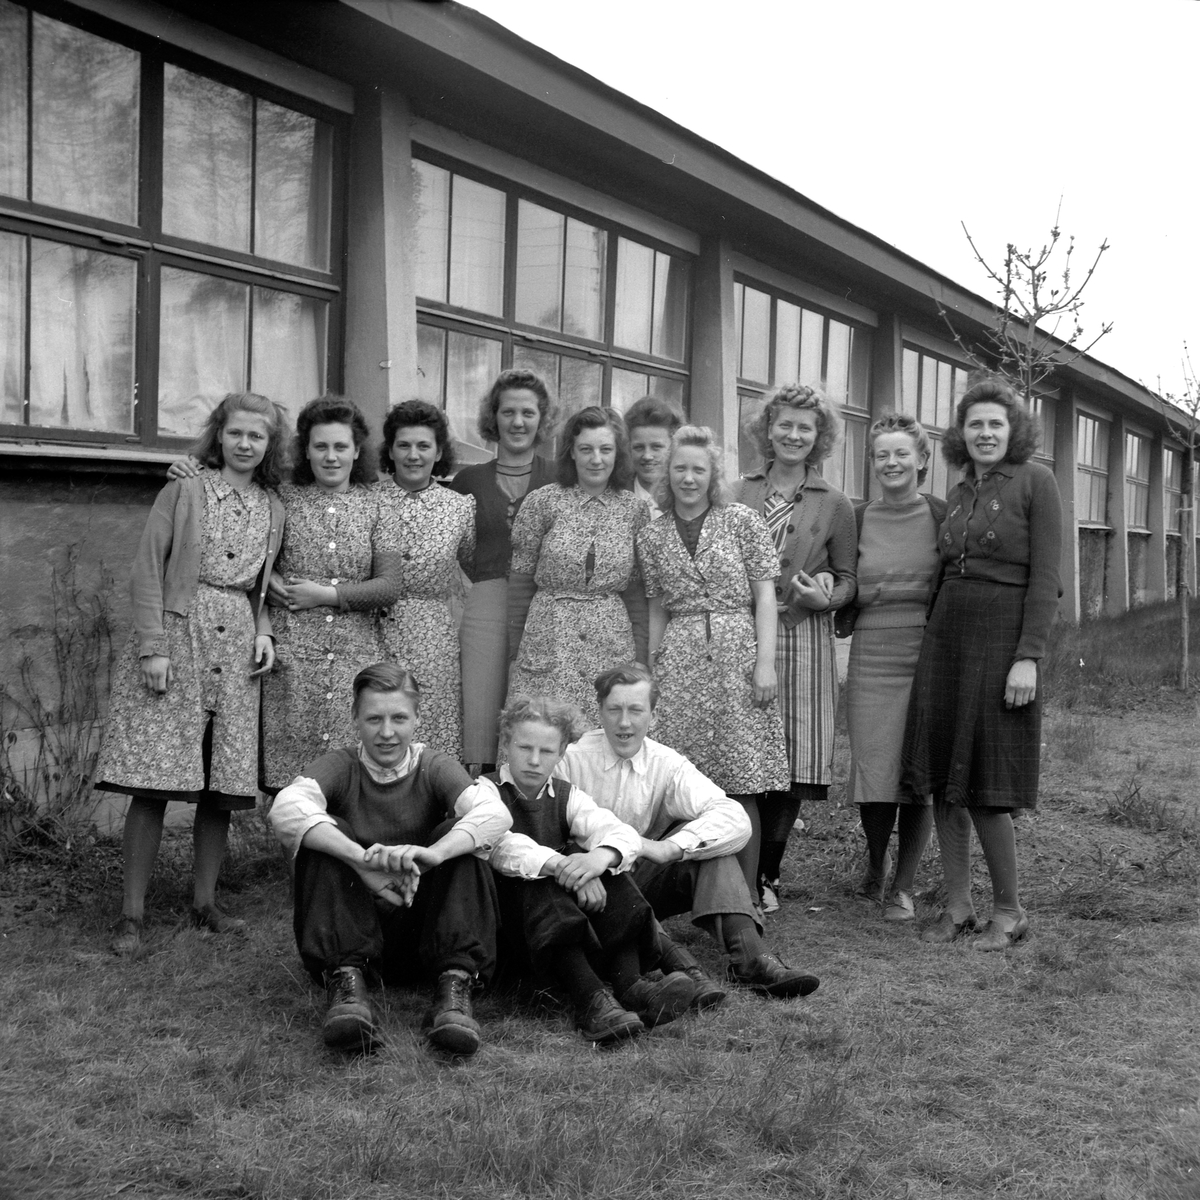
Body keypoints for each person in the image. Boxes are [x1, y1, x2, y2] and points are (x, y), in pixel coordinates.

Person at [97, 392, 288, 955]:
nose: (245, 444)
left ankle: (205, 902)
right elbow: (147, 568)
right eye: (236, 433)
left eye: (257, 436)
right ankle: (131, 914)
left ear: (270, 444)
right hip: (179, 638)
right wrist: (152, 647)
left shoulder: (273, 507)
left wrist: (263, 631)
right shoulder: (185, 490)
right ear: (218, 435)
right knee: (153, 778)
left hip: (236, 650)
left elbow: (259, 588)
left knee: (220, 786)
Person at [268, 663, 511, 1054]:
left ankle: (454, 989)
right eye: (374, 719)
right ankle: (348, 991)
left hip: (424, 935)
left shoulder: (433, 766)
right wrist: (359, 860)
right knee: (323, 832)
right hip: (355, 930)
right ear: (355, 719)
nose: (386, 732)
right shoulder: (341, 766)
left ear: (417, 719)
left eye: (399, 718)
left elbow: (495, 814)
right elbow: (286, 807)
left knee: (461, 835)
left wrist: (433, 854)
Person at [901, 377, 1062, 951]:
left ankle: (1009, 911)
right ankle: (959, 907)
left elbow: (1046, 579)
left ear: (1013, 430)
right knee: (946, 780)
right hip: (948, 637)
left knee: (987, 782)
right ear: (961, 434)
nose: (985, 433)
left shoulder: (1037, 481)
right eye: (975, 424)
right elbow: (945, 569)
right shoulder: (959, 488)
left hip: (1001, 638)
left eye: (996, 423)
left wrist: (1028, 658)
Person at [166, 395, 399, 791]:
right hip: (292, 659)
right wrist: (187, 465)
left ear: (357, 451)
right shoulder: (281, 499)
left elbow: (389, 586)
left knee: (350, 778)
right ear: (305, 450)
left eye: (340, 446)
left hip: (354, 657)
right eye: (320, 446)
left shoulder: (378, 506)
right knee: (289, 781)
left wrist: (325, 595)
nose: (330, 457)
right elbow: (243, 544)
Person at [559, 663, 821, 1000]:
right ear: (600, 711)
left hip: (640, 878)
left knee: (708, 845)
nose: (624, 723)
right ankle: (680, 968)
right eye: (614, 710)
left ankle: (753, 959)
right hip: (585, 883)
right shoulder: (571, 758)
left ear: (653, 715)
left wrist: (669, 848)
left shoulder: (666, 763)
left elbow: (733, 816)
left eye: (636, 710)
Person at [479, 695, 697, 1043]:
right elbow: (504, 847)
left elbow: (618, 832)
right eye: (524, 748)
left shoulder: (566, 796)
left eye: (547, 751)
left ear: (562, 753)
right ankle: (591, 1001)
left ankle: (631, 986)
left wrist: (599, 860)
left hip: (558, 920)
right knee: (538, 883)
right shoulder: (485, 791)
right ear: (505, 744)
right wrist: (566, 868)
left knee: (611, 869)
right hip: (516, 931)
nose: (534, 760)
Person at [637, 425, 789, 903]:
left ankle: (746, 900)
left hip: (735, 654)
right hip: (680, 660)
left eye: (698, 469)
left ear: (713, 474)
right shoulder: (652, 534)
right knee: (681, 777)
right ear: (667, 473)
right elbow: (658, 607)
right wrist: (652, 670)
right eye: (680, 468)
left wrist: (765, 664)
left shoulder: (742, 520)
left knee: (742, 777)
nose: (688, 478)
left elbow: (765, 597)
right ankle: (686, 893)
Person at [735, 384, 856, 913]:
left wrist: (827, 597)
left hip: (805, 638)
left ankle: (768, 875)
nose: (793, 434)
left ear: (819, 436)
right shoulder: (737, 492)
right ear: (768, 428)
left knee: (791, 757)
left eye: (805, 427)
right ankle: (736, 869)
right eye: (784, 424)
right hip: (744, 633)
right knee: (745, 750)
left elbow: (850, 578)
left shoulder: (835, 503)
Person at [840, 413, 944, 922]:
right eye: (882, 454)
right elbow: (841, 577)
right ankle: (874, 866)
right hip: (871, 651)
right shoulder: (857, 517)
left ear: (922, 459)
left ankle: (904, 886)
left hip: (925, 652)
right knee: (874, 765)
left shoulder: (942, 515)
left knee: (917, 769)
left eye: (902, 453)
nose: (892, 462)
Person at [506, 406, 649, 726]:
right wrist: (515, 653)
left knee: (606, 733)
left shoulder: (634, 510)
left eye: (605, 449)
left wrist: (639, 657)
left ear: (618, 453)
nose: (596, 459)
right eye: (586, 449)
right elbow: (520, 584)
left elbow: (636, 592)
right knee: (543, 732)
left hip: (610, 645)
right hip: (549, 642)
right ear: (571, 452)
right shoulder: (542, 502)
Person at [449, 370, 558, 772]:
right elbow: (458, 548)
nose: (517, 422)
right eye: (508, 411)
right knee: (481, 707)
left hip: (542, 607)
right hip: (485, 606)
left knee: (534, 710)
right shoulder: (468, 480)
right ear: (493, 417)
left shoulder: (560, 477)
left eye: (528, 412)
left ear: (542, 419)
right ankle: (481, 793)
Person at [376, 400, 476, 761]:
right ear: (390, 450)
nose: (413, 455)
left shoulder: (460, 508)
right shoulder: (368, 499)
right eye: (404, 445)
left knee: (431, 734)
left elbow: (474, 568)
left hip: (433, 639)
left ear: (439, 452)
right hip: (372, 631)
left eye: (423, 445)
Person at [624, 394, 685, 519]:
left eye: (656, 447)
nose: (647, 456)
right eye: (639, 447)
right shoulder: (616, 497)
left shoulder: (687, 497)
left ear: (674, 446)